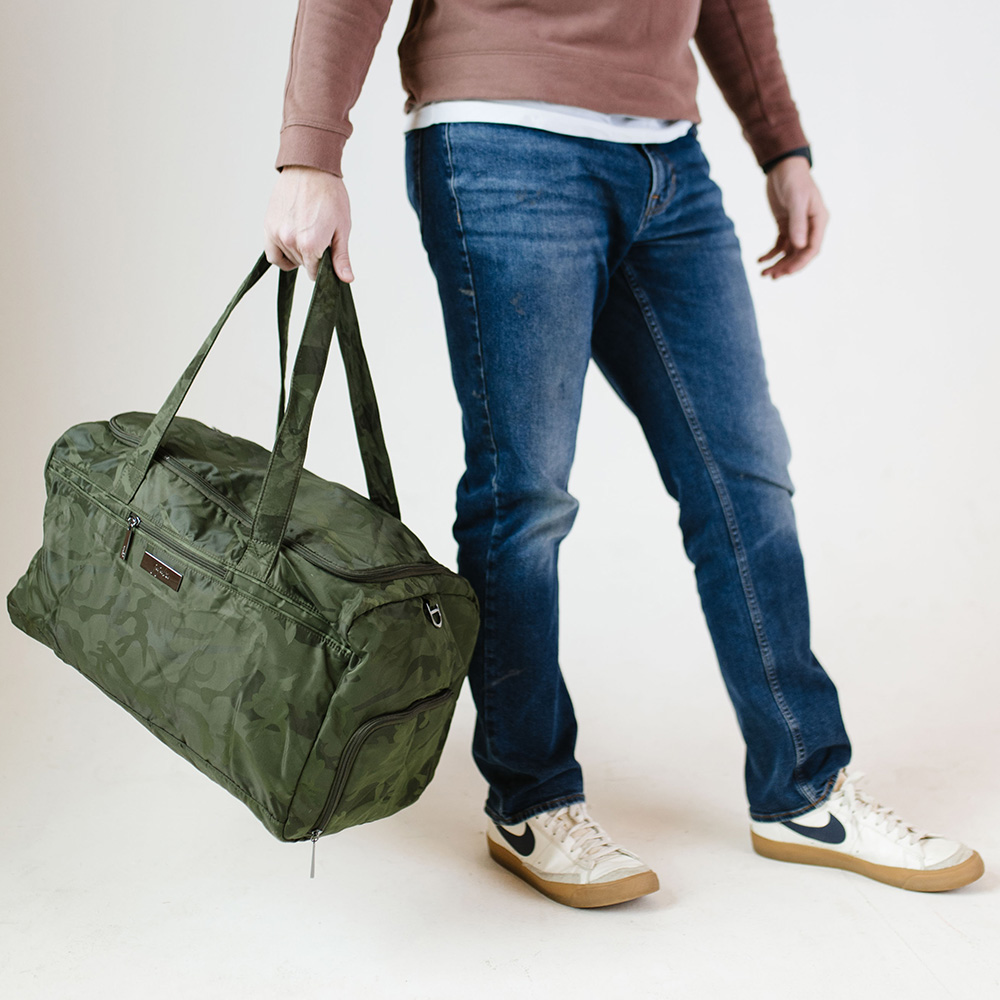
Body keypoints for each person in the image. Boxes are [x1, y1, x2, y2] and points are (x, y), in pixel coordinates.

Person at [263, 0, 983, 907]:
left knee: (747, 474)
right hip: (501, 141)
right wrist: (309, 152)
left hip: (668, 161)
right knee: (524, 495)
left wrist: (783, 148)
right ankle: (532, 801)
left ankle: (803, 791)